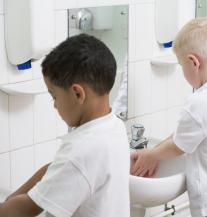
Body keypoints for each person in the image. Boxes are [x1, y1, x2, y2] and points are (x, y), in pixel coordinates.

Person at [131, 18, 207, 217]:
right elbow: (188, 133)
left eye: (181, 65)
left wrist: (152, 155)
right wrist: (155, 151)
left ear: (193, 62)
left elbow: (178, 146)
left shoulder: (201, 100)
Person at [0, 34, 130, 217]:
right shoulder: (113, 125)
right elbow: (53, 169)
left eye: (54, 96)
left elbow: (26, 209)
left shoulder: (81, 150)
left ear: (78, 94)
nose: (54, 104)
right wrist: (10, 199)